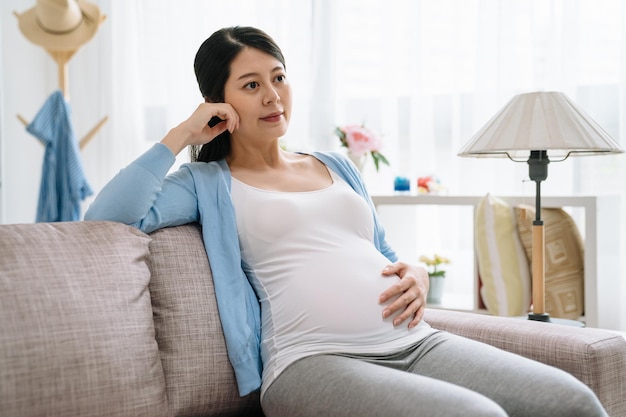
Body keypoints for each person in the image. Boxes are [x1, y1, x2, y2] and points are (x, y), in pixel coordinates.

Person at [85, 26, 607, 417]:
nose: (272, 95)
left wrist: (417, 272)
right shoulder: (205, 184)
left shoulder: (336, 165)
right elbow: (107, 217)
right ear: (219, 102)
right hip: (311, 362)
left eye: (279, 77)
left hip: (415, 342)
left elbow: (377, 251)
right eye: (250, 84)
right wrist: (179, 136)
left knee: (572, 401)